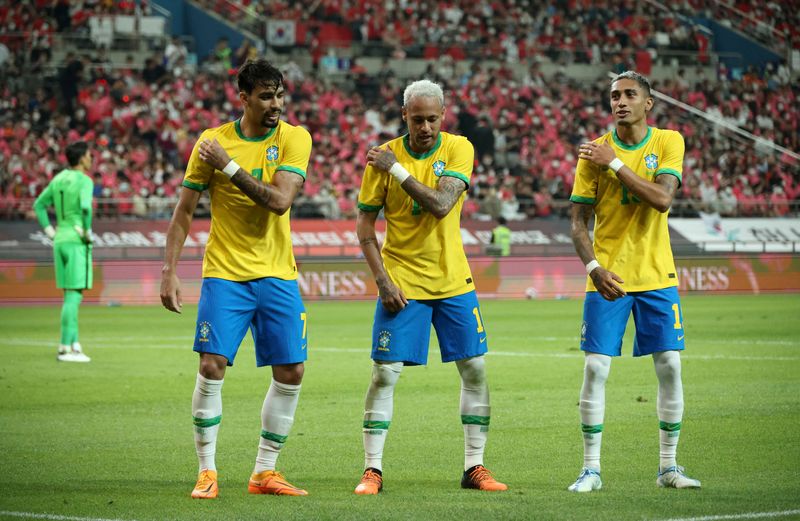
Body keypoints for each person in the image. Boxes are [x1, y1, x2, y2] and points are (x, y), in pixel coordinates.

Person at [160, 59, 312, 500]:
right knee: (211, 365)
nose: (276, 105)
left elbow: (280, 201)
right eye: (266, 96)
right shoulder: (211, 142)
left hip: (277, 273)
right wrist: (170, 270)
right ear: (242, 98)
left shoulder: (293, 138)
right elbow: (184, 211)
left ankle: (265, 472)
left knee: (292, 370)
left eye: (280, 95)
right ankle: (206, 471)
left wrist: (227, 167)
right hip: (225, 273)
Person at [353, 79, 507, 495]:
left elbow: (441, 205)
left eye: (432, 119)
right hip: (402, 281)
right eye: (417, 119)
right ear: (404, 115)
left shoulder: (457, 148)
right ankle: (372, 470)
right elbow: (365, 227)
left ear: (444, 115)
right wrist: (382, 280)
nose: (425, 127)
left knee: (474, 368)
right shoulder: (382, 158)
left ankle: (474, 467)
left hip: (453, 279)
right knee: (385, 374)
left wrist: (397, 170)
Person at [567, 71, 701, 492]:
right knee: (595, 367)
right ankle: (591, 469)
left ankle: (668, 467)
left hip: (656, 275)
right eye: (614, 96)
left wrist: (616, 163)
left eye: (629, 95)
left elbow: (662, 199)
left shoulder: (667, 141)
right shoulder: (593, 154)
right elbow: (577, 223)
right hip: (609, 278)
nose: (620, 101)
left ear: (649, 103)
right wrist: (594, 269)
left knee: (670, 365)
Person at [33, 141, 94, 363]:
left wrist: (50, 231)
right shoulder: (85, 181)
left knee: (69, 295)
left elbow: (39, 205)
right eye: (89, 155)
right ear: (81, 158)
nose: (91, 158)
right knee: (74, 296)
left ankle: (75, 344)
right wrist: (87, 231)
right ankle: (65, 348)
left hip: (60, 239)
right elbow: (86, 207)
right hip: (77, 240)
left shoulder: (57, 179)